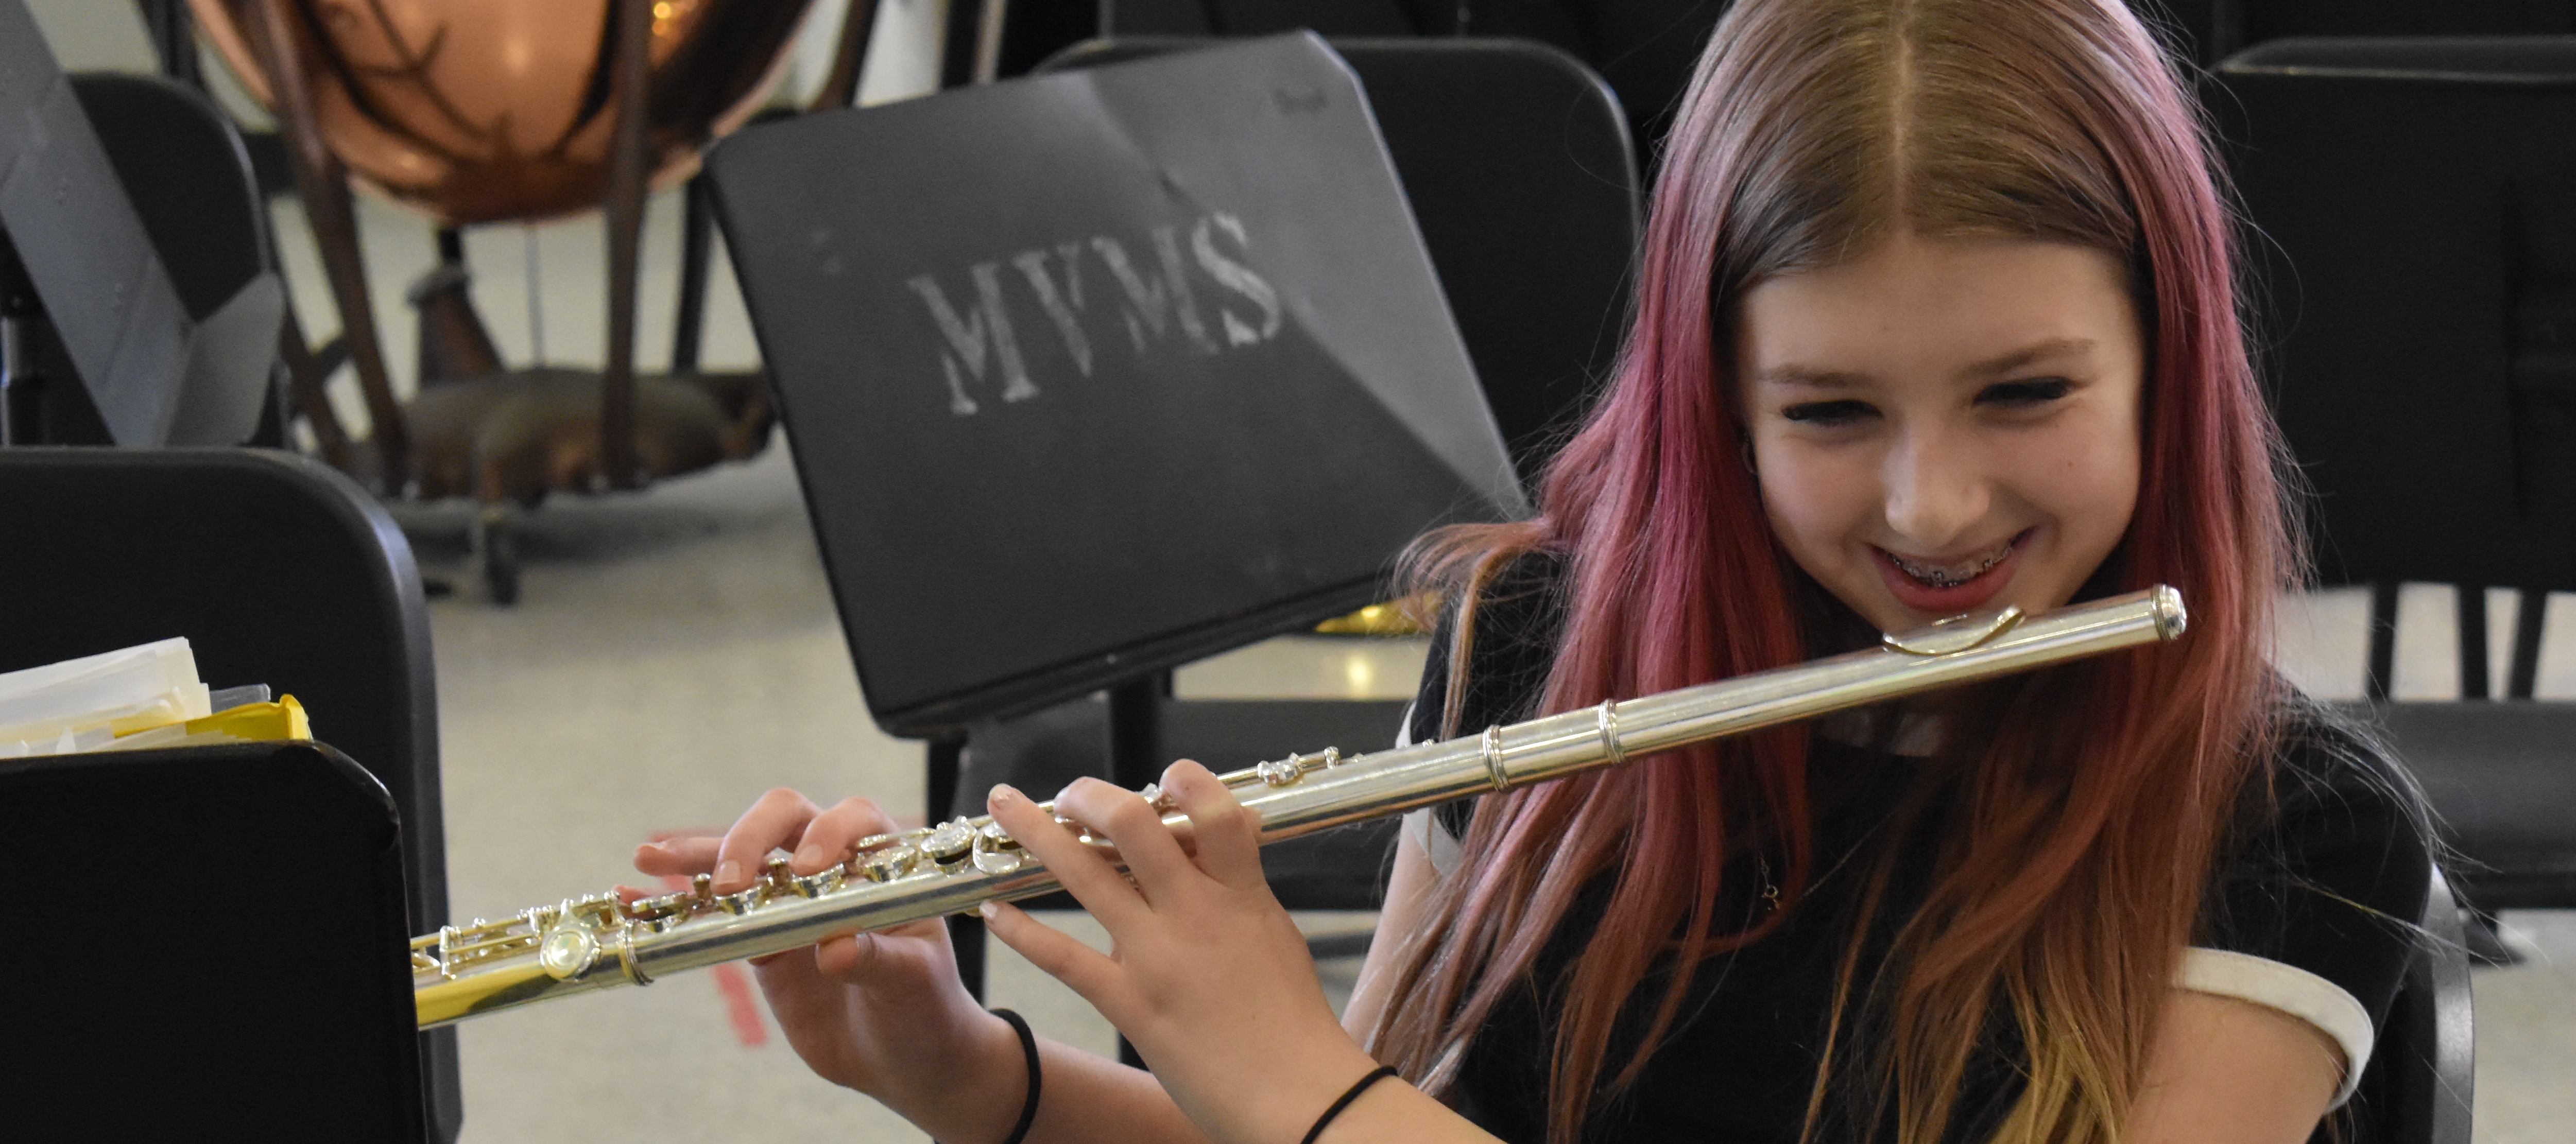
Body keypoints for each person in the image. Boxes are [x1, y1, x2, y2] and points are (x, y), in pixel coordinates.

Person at [636, 1, 2437, 1140]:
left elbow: (1331, 1117)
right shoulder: (1543, 648)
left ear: (2171, 367)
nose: (1936, 501)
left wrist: (1291, 1071)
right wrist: (969, 1077)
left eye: (2025, 393)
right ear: (1714, 403)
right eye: (1827, 409)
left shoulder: (2290, 833)